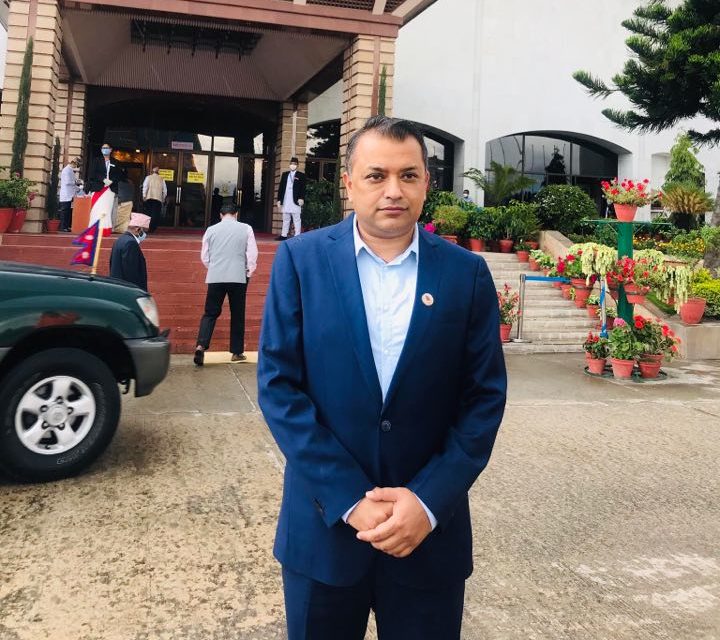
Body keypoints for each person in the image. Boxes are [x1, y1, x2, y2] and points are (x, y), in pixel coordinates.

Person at [257, 116, 507, 640]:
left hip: (427, 538)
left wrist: (427, 501)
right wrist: (350, 498)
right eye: (376, 176)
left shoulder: (465, 274)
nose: (393, 190)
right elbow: (279, 386)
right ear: (348, 184)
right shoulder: (301, 261)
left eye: (408, 175)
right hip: (324, 532)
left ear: (426, 184)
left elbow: (483, 399)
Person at [193, 203, 258, 366]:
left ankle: (201, 346)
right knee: (237, 314)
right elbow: (252, 254)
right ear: (236, 214)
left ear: (221, 215)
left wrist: (213, 267)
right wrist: (248, 272)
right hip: (238, 275)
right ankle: (237, 352)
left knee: (210, 313)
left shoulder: (211, 230)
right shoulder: (246, 228)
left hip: (216, 276)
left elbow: (204, 256)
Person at [87, 143, 127, 228]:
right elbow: (92, 173)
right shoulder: (96, 161)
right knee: (97, 207)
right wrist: (103, 179)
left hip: (110, 189)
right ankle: (95, 226)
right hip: (98, 187)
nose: (105, 149)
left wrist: (112, 181)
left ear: (110, 149)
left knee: (107, 208)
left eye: (107, 148)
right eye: (103, 148)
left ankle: (105, 227)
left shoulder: (115, 162)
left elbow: (119, 175)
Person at [109, 212, 150, 291]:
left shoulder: (120, 240)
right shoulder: (131, 243)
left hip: (117, 286)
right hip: (127, 289)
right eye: (144, 231)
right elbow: (131, 272)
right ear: (138, 229)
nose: (145, 234)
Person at [275, 156, 306, 240]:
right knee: (285, 218)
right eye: (291, 163)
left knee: (296, 218)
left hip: (296, 200)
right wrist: (279, 199)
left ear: (297, 165)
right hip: (286, 199)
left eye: (295, 164)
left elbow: (303, 188)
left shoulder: (301, 175)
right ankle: (283, 235)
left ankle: (297, 235)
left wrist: (301, 198)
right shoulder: (285, 174)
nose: (293, 165)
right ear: (289, 164)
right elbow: (281, 188)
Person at [142, 166, 167, 233]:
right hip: (158, 198)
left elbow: (145, 187)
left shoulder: (148, 178)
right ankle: (152, 228)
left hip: (149, 197)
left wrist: (144, 196)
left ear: (152, 171)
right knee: (156, 213)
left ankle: (147, 227)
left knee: (148, 212)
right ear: (158, 172)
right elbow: (164, 190)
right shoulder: (162, 179)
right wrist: (163, 198)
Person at [58, 157, 80, 232]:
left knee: (68, 211)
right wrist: (76, 182)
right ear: (73, 163)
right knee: (65, 211)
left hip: (69, 194)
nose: (76, 167)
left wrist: (78, 188)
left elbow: (72, 184)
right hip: (66, 194)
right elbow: (67, 182)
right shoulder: (67, 170)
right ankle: (63, 227)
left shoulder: (70, 170)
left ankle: (66, 226)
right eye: (76, 165)